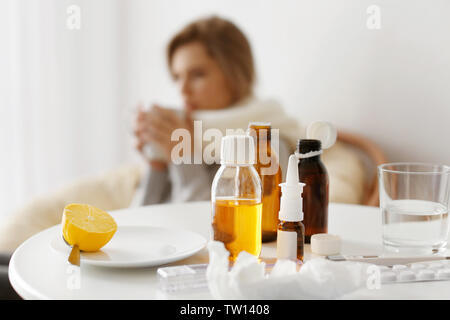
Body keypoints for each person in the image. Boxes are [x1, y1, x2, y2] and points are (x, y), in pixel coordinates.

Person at [132, 15, 302, 206]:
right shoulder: (186, 132)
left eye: (197, 75)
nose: (183, 89)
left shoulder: (266, 145)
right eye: (177, 77)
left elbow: (217, 227)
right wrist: (156, 163)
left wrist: (185, 158)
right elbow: (139, 220)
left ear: (234, 76)